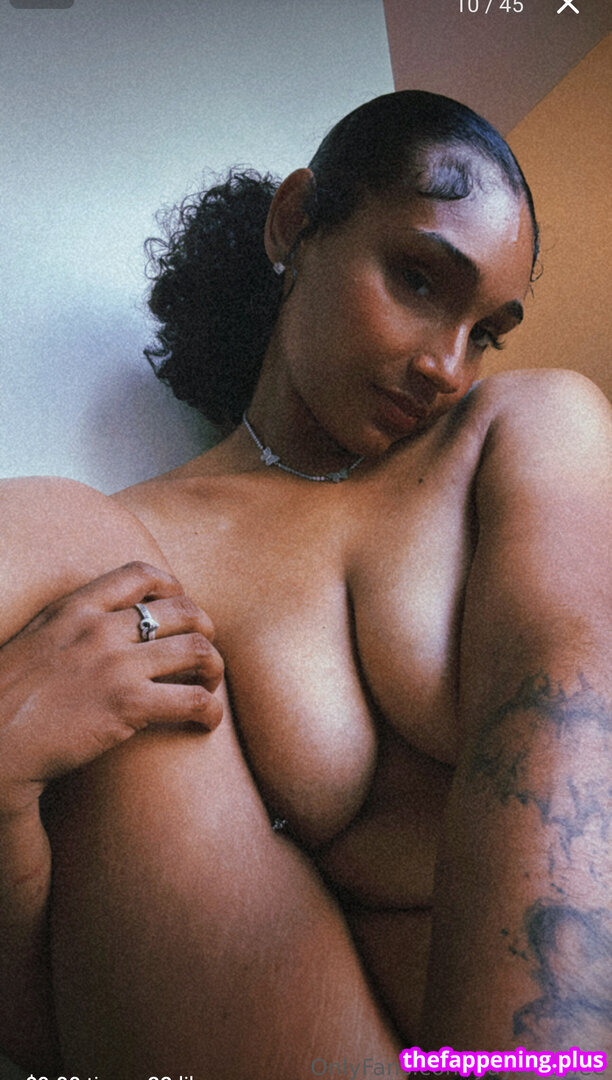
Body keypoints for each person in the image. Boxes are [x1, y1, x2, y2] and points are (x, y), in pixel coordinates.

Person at [0, 91, 610, 1078]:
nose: (447, 366)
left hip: (549, 1056)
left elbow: (578, 719)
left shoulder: (513, 438)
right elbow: (41, 1037)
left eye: (485, 332)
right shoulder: (122, 546)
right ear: (294, 222)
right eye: (419, 279)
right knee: (69, 532)